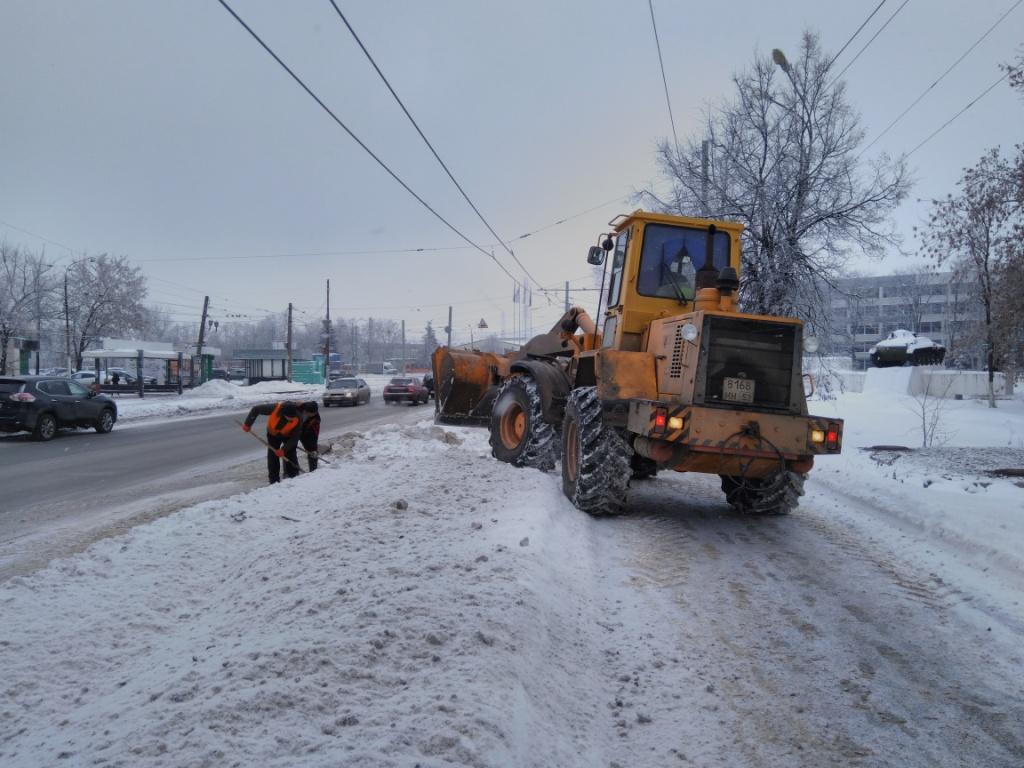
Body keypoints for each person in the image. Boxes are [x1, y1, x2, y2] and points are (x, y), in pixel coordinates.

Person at [242, 400, 303, 484]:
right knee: (273, 456)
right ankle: (274, 480)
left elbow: (295, 438)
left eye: (292, 418)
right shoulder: (275, 408)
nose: (291, 419)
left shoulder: (299, 418)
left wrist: (284, 450)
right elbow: (256, 409)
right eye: (289, 417)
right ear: (283, 413)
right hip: (273, 434)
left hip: (289, 435)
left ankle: (293, 475)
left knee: (290, 452)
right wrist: (247, 424)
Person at [298, 401, 321, 472]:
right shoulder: (297, 409)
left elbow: (314, 436)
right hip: (292, 430)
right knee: (289, 450)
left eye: (313, 414)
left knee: (312, 450)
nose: (309, 414)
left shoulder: (315, 420)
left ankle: (313, 470)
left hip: (305, 433)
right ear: (305, 410)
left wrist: (313, 449)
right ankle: (290, 472)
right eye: (308, 413)